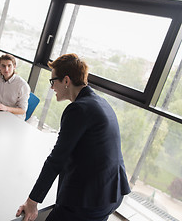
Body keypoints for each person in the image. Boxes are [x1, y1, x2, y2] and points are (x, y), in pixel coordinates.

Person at [16, 53, 131, 221]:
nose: (51, 87)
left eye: (53, 81)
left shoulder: (78, 109)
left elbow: (56, 160)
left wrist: (32, 201)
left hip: (90, 199)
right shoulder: (101, 102)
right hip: (112, 192)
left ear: (66, 81)